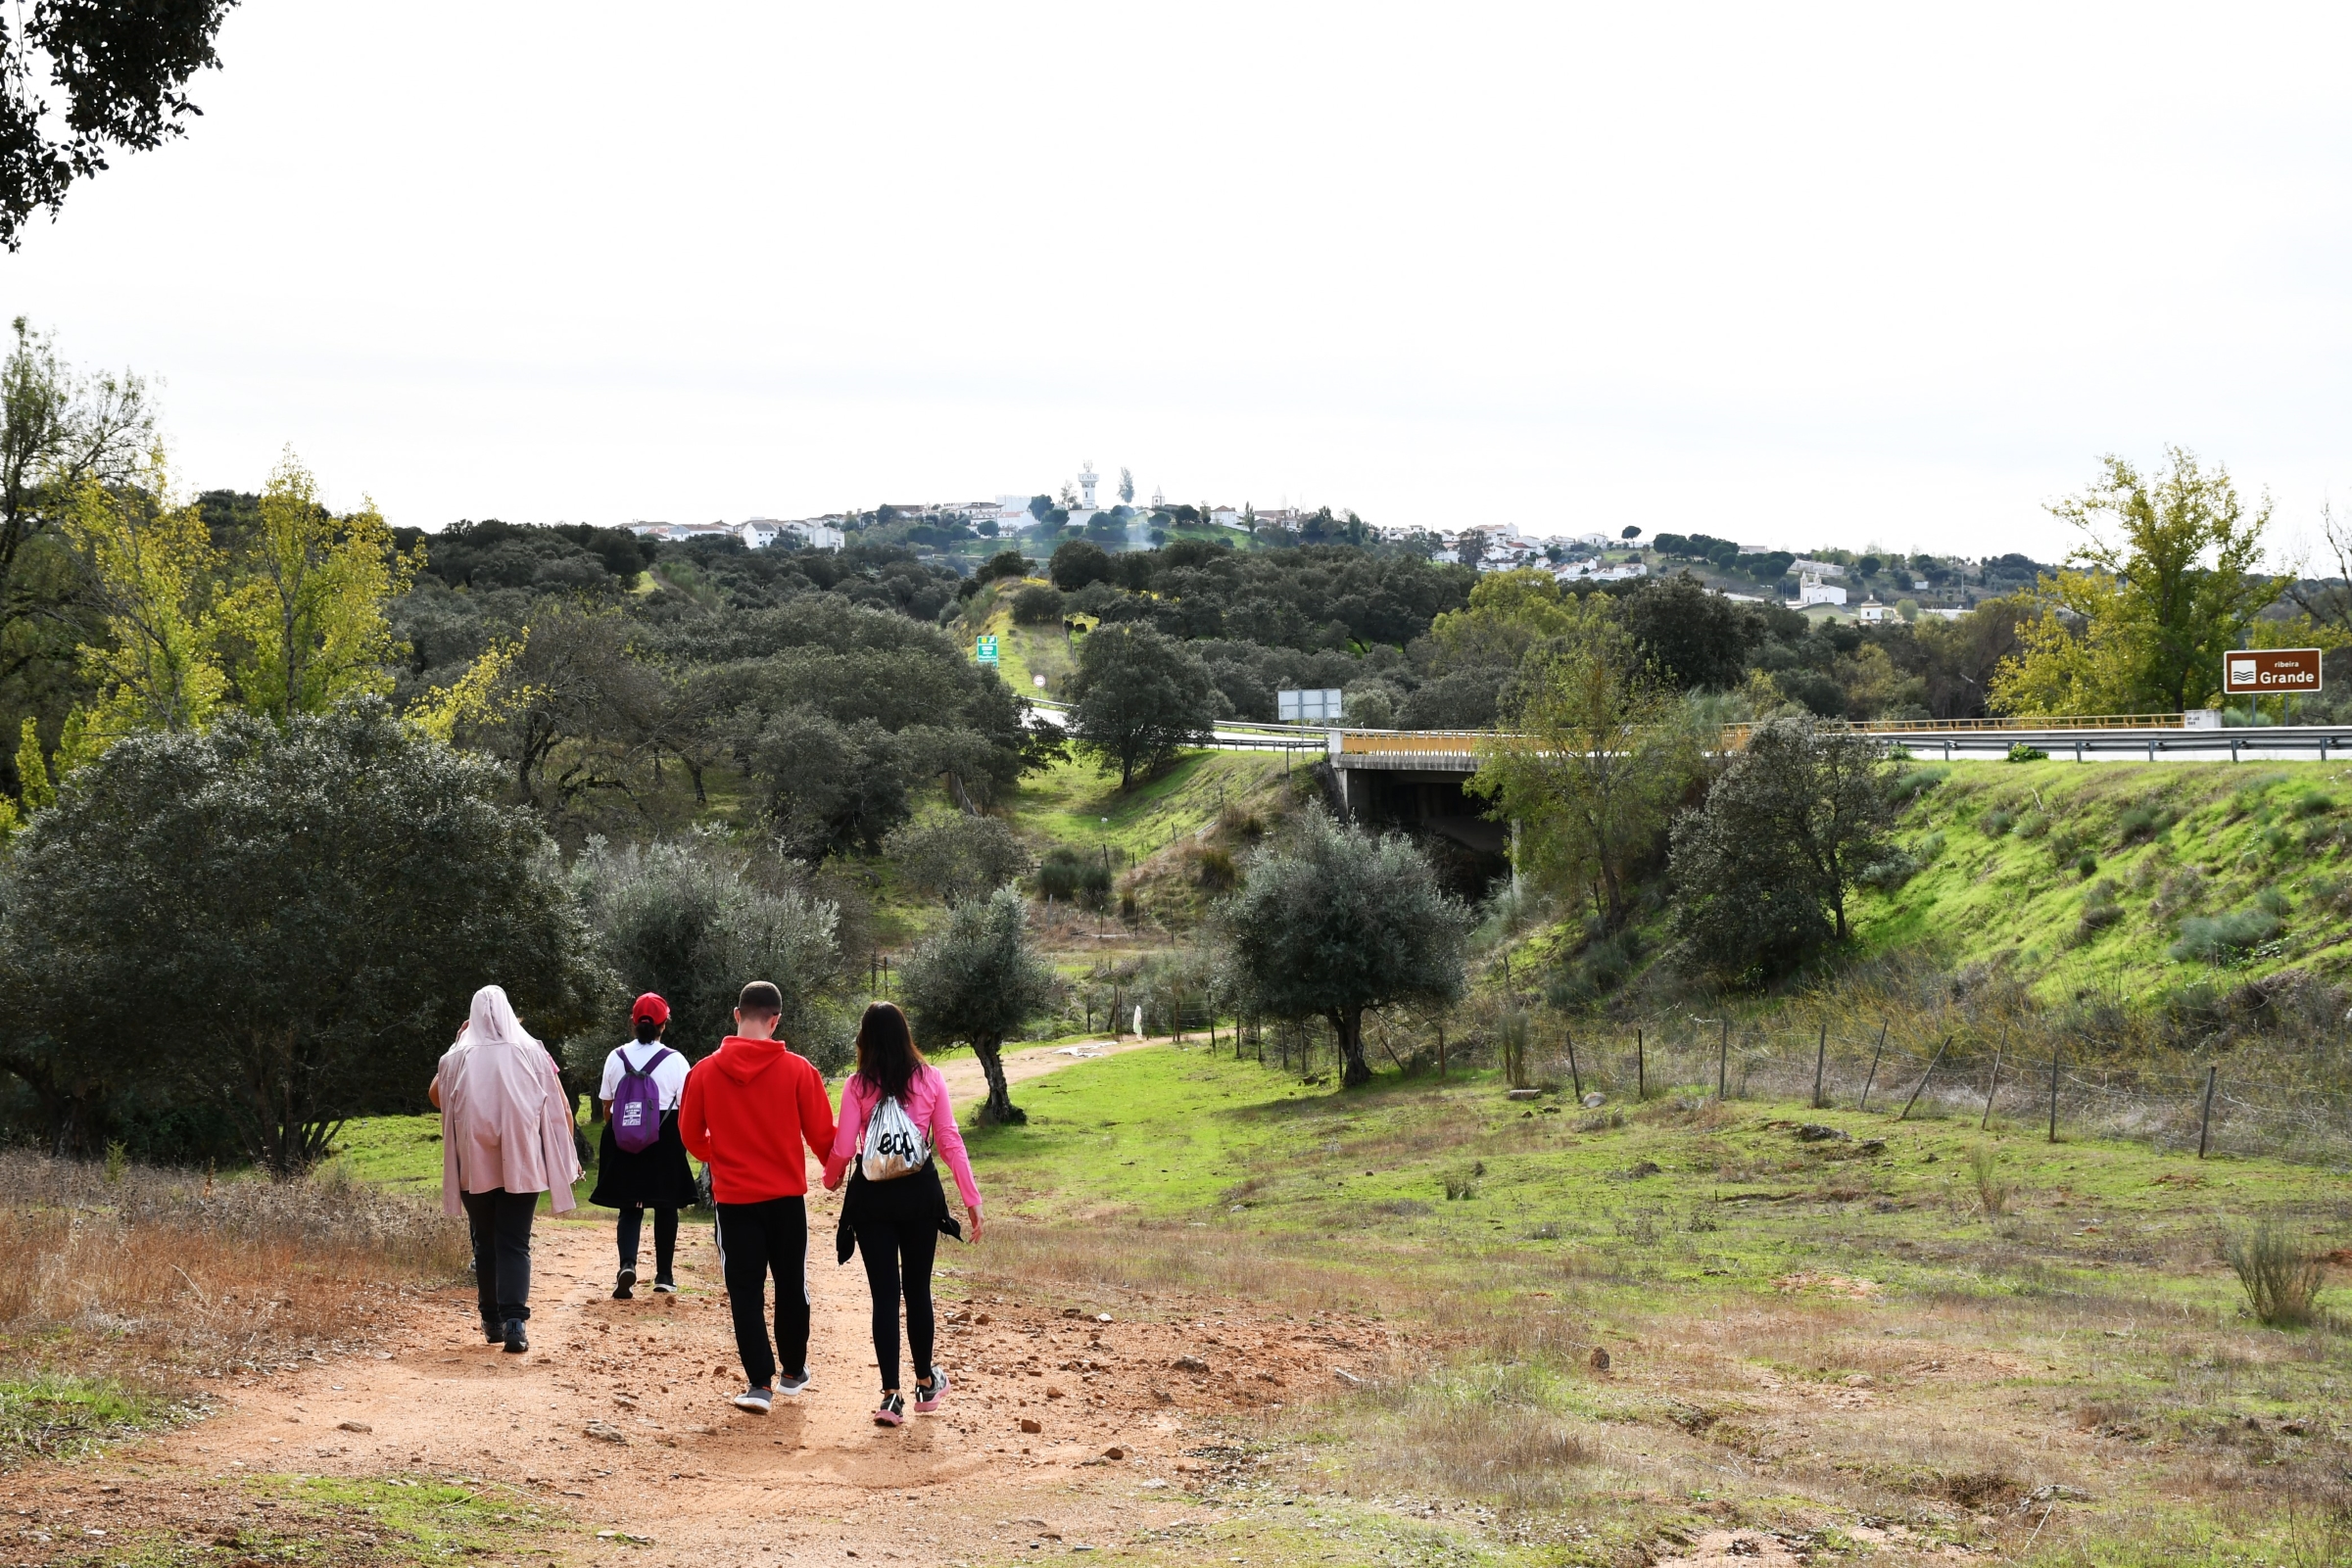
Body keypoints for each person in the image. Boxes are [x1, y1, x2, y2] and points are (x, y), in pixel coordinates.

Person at [823, 1001, 984, 1428]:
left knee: (883, 1295)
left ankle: (890, 1396)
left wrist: (829, 1179)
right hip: (918, 1198)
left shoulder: (857, 1085)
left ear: (865, 1040)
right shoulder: (930, 1078)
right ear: (905, 1035)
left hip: (873, 1201)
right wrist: (970, 1198)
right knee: (917, 1290)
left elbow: (843, 1149)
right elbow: (948, 1139)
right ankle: (926, 1383)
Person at [679, 980, 837, 1414]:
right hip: (786, 1199)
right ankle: (793, 1372)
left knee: (744, 1289)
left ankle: (758, 1385)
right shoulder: (800, 1070)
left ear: (736, 1014)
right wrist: (835, 1171)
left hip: (734, 1202)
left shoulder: (704, 1072)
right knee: (791, 1285)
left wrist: (721, 1154)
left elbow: (691, 1135)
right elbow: (823, 1135)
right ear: (776, 1020)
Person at [429, 984, 581, 1354]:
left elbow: (436, 1096)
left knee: (485, 1240)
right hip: (522, 1162)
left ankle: (491, 1320)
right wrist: (564, 1155)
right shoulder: (532, 1051)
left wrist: (457, 1043)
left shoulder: (455, 1058)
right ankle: (516, 1324)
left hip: (473, 1165)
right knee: (515, 1241)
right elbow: (560, 1108)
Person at [588, 993, 698, 1300]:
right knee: (666, 1206)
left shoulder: (615, 1057)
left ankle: (627, 1265)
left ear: (633, 1022)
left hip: (624, 1139)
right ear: (664, 1025)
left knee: (630, 1207)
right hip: (664, 1137)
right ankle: (664, 1275)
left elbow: (608, 1110)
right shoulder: (676, 1061)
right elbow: (686, 1107)